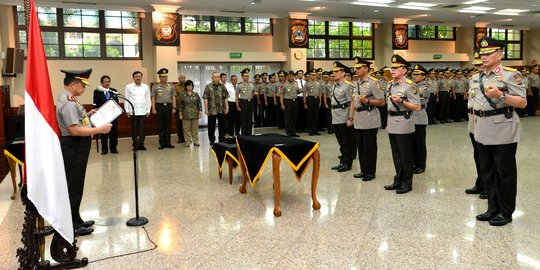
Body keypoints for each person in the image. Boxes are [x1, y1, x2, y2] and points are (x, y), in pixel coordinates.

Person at [472, 37, 527, 226]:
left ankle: (506, 211)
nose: (483, 56)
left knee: (505, 173)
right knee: (487, 172)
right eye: (482, 53)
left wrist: (501, 95)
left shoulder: (511, 75)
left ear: (500, 54)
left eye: (488, 53)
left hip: (503, 130)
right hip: (482, 130)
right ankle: (492, 208)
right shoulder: (476, 77)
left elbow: (522, 102)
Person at [56, 69, 112, 236]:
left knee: (77, 184)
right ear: (73, 84)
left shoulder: (72, 100)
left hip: (77, 146)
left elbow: (77, 120)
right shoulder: (68, 102)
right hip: (74, 146)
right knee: (73, 185)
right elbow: (74, 130)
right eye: (82, 85)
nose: (84, 88)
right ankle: (72, 224)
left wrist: (87, 114)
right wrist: (100, 129)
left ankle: (76, 218)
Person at [383, 55, 421, 194]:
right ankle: (397, 180)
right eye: (391, 67)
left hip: (404, 123)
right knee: (396, 155)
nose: (392, 70)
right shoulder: (390, 84)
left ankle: (407, 183)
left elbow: (417, 107)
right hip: (392, 122)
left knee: (405, 155)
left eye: (396, 68)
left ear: (404, 70)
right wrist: (387, 124)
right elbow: (388, 107)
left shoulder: (410, 86)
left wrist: (401, 101)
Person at [349, 57, 385, 181]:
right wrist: (351, 116)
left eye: (359, 68)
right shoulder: (356, 82)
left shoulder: (374, 82)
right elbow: (354, 101)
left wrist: (367, 101)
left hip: (369, 118)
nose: (357, 70)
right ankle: (363, 170)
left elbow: (381, 102)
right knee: (361, 147)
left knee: (369, 147)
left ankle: (370, 172)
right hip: (359, 118)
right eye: (356, 68)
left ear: (366, 68)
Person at [465, 49, 488, 200]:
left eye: (480, 64)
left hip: (486, 123)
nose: (478, 67)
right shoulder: (473, 78)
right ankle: (480, 182)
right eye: (476, 65)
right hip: (473, 121)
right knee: (477, 155)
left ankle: (487, 186)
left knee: (486, 157)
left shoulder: (492, 79)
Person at [330, 61, 354, 172]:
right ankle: (343, 161)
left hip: (344, 116)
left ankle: (347, 163)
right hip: (335, 116)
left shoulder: (347, 86)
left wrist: (350, 118)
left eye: (336, 71)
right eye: (333, 71)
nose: (333, 73)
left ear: (343, 73)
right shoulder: (335, 85)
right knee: (340, 141)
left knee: (346, 141)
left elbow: (351, 103)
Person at [125, 71, 151, 151]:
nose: (138, 78)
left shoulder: (145, 87)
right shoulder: (128, 87)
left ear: (141, 77)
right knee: (134, 129)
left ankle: (141, 144)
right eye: (136, 76)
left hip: (143, 111)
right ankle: (135, 145)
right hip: (133, 112)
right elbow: (126, 99)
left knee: (142, 129)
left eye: (139, 76)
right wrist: (127, 110)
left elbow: (148, 98)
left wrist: (148, 109)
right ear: (133, 78)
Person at [93, 75, 119, 155]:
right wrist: (95, 112)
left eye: (108, 81)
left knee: (113, 133)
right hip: (103, 116)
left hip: (113, 115)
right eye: (105, 82)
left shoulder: (113, 91)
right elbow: (95, 103)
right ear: (101, 83)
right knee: (104, 133)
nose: (107, 83)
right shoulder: (97, 91)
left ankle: (113, 148)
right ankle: (104, 149)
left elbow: (117, 103)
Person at [151, 68, 176, 149]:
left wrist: (174, 107)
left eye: (166, 77)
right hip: (159, 106)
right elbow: (153, 98)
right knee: (161, 125)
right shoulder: (155, 86)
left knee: (168, 125)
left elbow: (173, 97)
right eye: (162, 77)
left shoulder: (171, 86)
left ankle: (168, 142)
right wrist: (153, 108)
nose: (164, 78)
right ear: (160, 77)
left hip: (168, 106)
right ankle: (162, 142)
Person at [411, 64, 429, 174]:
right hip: (411, 116)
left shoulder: (425, 85)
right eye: (413, 74)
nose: (414, 76)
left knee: (419, 143)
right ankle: (414, 163)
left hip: (420, 116)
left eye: (417, 74)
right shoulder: (412, 85)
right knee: (412, 142)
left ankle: (421, 165)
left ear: (423, 76)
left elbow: (417, 93)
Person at [203, 72, 229, 145]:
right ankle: (212, 140)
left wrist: (227, 107)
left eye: (218, 77)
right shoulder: (208, 86)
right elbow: (205, 98)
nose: (217, 78)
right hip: (212, 109)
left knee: (222, 126)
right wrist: (206, 109)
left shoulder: (222, 86)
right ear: (212, 78)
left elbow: (225, 97)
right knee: (211, 126)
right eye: (215, 77)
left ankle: (221, 139)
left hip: (221, 109)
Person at [178, 80, 202, 147]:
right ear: (185, 86)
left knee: (195, 129)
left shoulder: (196, 94)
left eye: (191, 85)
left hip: (195, 113)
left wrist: (200, 112)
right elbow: (180, 105)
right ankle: (187, 142)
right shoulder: (182, 95)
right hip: (185, 114)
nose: (190, 87)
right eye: (188, 85)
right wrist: (180, 114)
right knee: (186, 129)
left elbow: (199, 104)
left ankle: (196, 141)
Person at [281, 70, 302, 137]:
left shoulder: (295, 83)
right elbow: (281, 94)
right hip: (288, 102)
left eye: (292, 76)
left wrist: (301, 90)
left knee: (294, 117)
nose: (291, 77)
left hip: (295, 101)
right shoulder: (284, 84)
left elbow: (298, 91)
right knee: (288, 118)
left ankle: (293, 132)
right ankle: (288, 132)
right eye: (290, 76)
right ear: (287, 77)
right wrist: (282, 104)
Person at [236, 68, 257, 135]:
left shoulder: (252, 84)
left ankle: (249, 134)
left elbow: (255, 91)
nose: (247, 77)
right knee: (243, 119)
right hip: (243, 102)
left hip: (250, 102)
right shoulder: (239, 85)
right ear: (242, 77)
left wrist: (255, 93)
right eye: (245, 76)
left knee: (250, 119)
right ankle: (244, 134)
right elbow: (236, 96)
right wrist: (237, 106)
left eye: (248, 76)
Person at [303, 69, 322, 136]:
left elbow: (319, 92)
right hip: (310, 99)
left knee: (315, 115)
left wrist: (320, 101)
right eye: (312, 75)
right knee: (310, 115)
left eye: (315, 75)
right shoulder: (307, 83)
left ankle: (315, 130)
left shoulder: (318, 83)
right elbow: (304, 93)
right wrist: (304, 103)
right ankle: (310, 130)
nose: (314, 76)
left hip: (317, 99)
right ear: (310, 76)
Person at [174, 74, 186, 143]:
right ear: (179, 79)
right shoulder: (175, 86)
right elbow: (173, 97)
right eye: (181, 78)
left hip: (186, 108)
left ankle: (186, 137)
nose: (183, 79)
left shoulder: (187, 86)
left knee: (186, 124)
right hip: (178, 108)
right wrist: (174, 107)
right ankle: (180, 138)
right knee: (178, 124)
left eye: (184, 78)